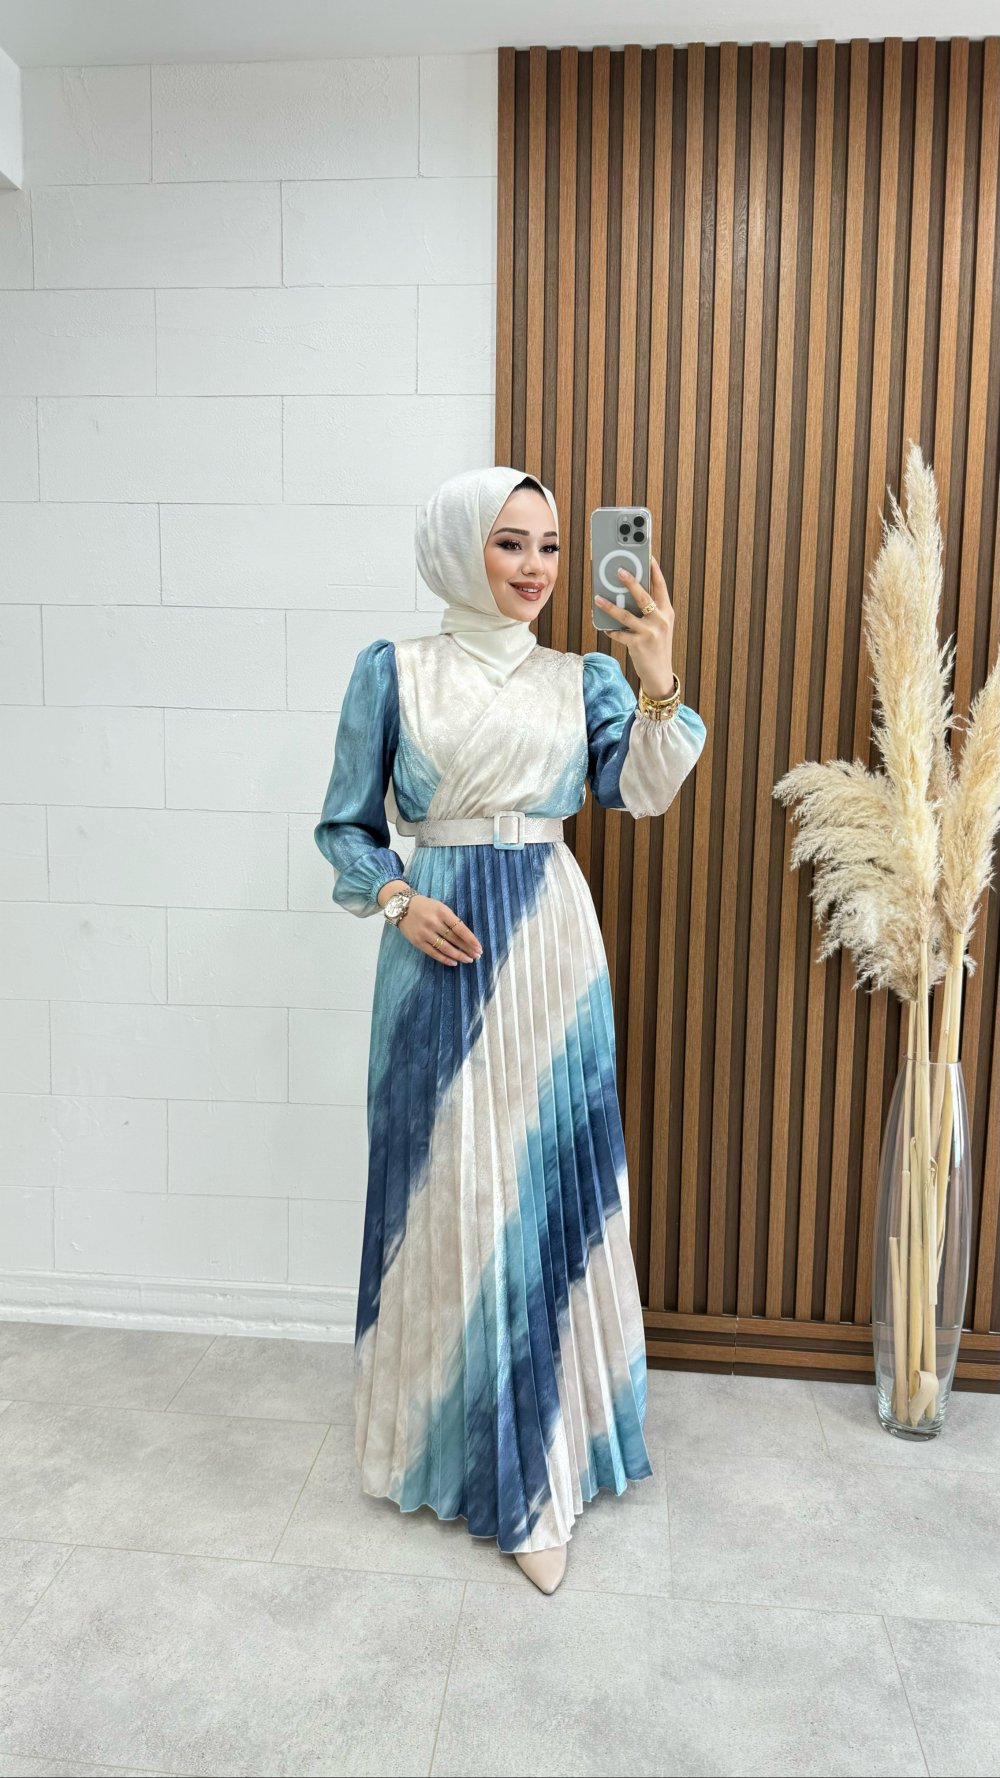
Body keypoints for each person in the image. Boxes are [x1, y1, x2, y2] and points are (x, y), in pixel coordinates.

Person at [314, 465, 707, 1595]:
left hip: (547, 944)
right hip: (434, 943)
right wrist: (397, 897)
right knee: (444, 1186)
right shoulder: (393, 671)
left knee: (538, 1181)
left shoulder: (583, 675)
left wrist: (658, 679)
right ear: (457, 549)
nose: (536, 567)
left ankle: (538, 1462)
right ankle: (436, 1437)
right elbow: (345, 826)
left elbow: (640, 792)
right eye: (509, 543)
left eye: (548, 545)